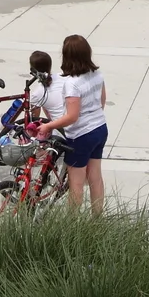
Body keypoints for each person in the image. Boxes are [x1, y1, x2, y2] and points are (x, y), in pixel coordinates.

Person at [44, 32, 108, 213]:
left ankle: (73, 226)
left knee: (76, 183)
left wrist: (48, 125)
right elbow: (102, 101)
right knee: (95, 176)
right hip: (100, 128)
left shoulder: (72, 83)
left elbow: (72, 116)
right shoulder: (97, 74)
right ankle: (97, 219)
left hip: (80, 135)